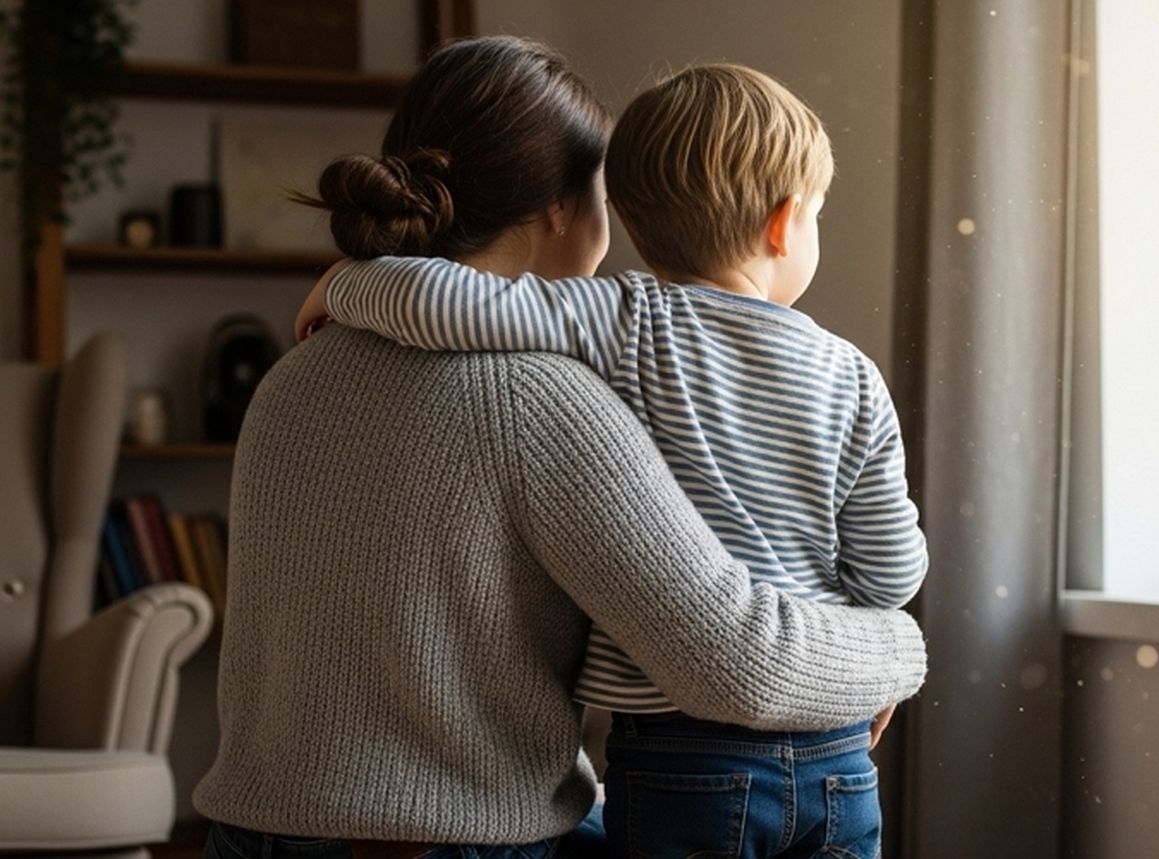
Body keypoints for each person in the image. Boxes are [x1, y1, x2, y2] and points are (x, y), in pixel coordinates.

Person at [195, 37, 928, 858]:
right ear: (557, 207)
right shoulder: (539, 395)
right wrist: (898, 647)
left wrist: (347, 278)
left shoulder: (296, 371)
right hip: (447, 839)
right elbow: (735, 662)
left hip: (248, 830)